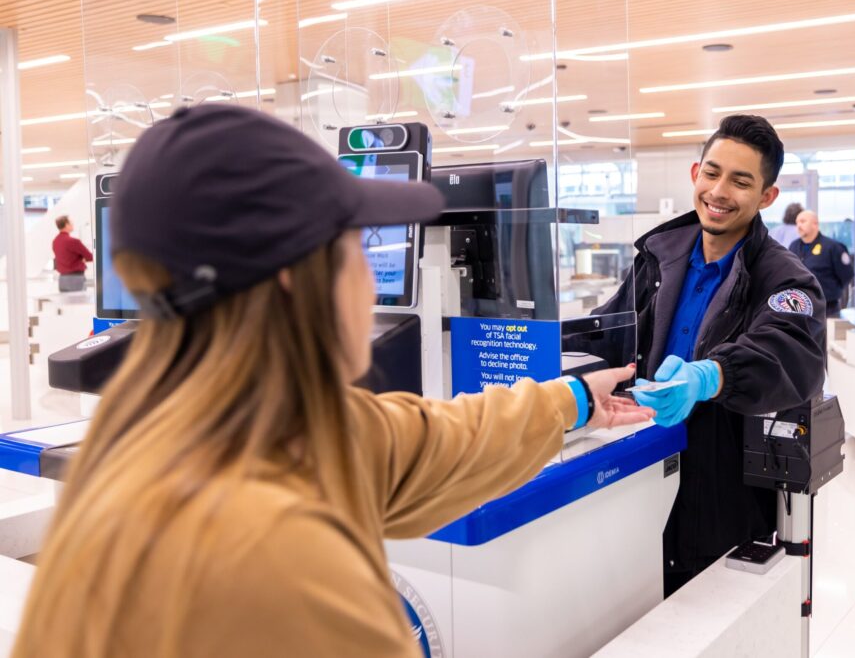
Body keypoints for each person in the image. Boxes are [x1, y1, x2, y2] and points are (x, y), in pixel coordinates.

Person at [12, 105, 654, 657]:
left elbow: (434, 443)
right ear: (294, 279)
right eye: (355, 246)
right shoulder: (278, 562)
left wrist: (572, 398)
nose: (371, 276)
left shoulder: (222, 428)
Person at [589, 115, 826, 596]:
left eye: (741, 181)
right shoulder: (659, 257)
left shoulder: (784, 280)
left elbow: (788, 352)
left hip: (721, 500)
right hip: (640, 475)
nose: (719, 191)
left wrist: (710, 375)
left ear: (766, 197)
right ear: (695, 173)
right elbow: (609, 331)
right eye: (712, 173)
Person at [789, 210, 854, 318]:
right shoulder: (794, 246)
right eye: (797, 223)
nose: (799, 226)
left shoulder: (832, 247)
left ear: (815, 224)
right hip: (800, 309)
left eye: (803, 221)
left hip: (828, 309)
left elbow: (846, 275)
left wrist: (831, 291)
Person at [51, 214, 94, 292]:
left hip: (62, 279)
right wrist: (82, 259)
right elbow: (90, 257)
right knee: (79, 303)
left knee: (64, 303)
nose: (73, 224)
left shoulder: (55, 241)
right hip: (76, 278)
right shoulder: (73, 241)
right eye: (71, 222)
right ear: (66, 225)